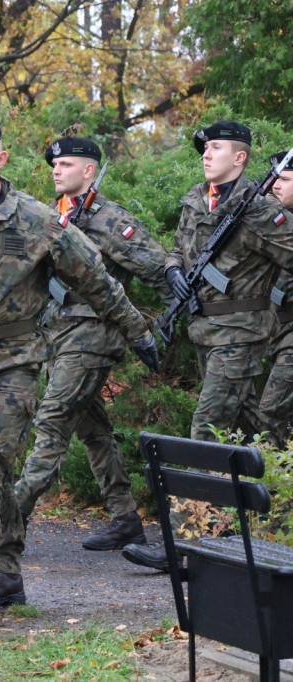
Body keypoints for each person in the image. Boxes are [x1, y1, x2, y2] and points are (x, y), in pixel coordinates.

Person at [0, 119, 160, 615]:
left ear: (2, 158)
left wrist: (138, 331)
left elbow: (98, 281)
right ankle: (7, 575)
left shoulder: (37, 221)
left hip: (14, 364)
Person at [0, 137, 174, 583]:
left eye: (66, 164)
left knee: (52, 419)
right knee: (93, 429)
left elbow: (161, 267)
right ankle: (125, 517)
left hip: (94, 333)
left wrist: (162, 323)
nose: (56, 169)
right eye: (54, 163)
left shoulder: (110, 219)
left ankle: (13, 518)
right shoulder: (58, 216)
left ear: (89, 171)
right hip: (59, 332)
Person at [123, 122, 293, 572]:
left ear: (240, 158)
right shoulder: (198, 199)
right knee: (254, 431)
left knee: (207, 430)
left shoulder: (257, 210)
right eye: (204, 147)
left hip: (241, 334)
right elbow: (180, 249)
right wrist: (176, 271)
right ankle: (268, 521)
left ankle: (188, 544)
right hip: (204, 333)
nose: (206, 153)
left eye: (216, 147)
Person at [259, 151, 293, 445]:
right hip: (275, 334)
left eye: (284, 180)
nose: (275, 186)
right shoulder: (275, 223)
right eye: (274, 180)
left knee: (270, 414)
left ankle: (272, 488)